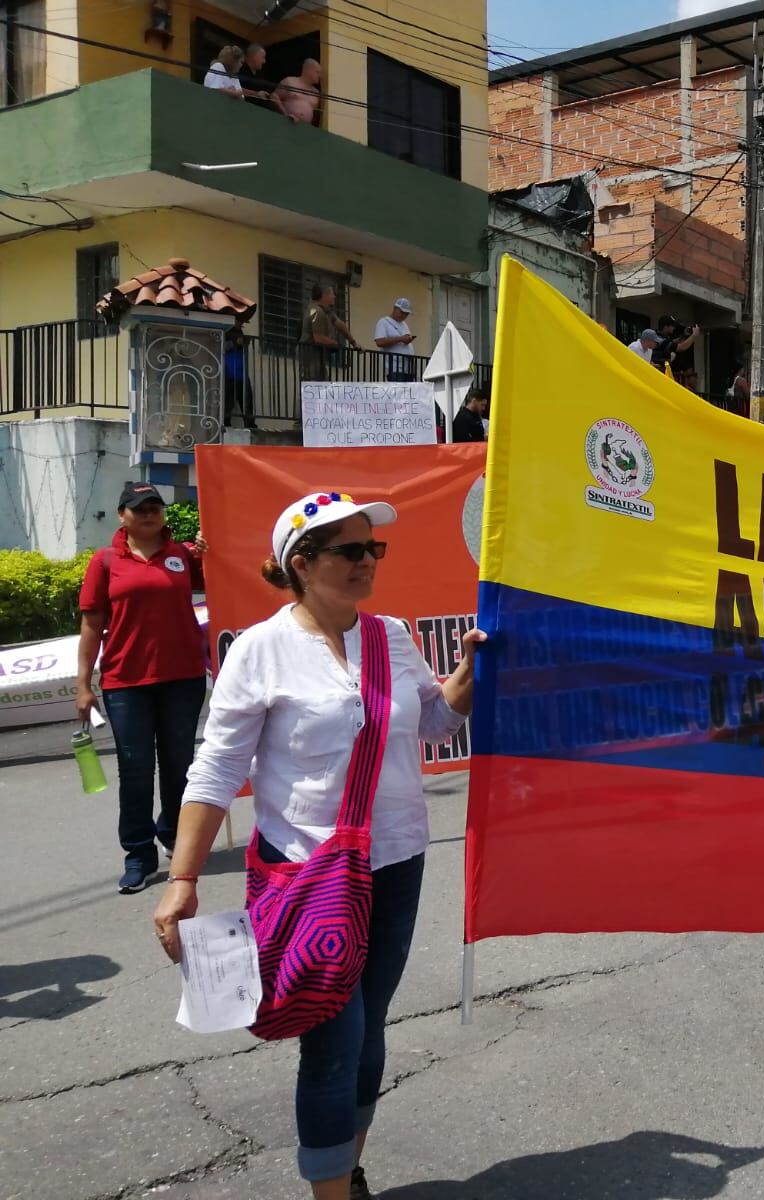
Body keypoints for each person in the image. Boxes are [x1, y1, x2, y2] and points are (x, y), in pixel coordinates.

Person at [153, 492, 483, 1200]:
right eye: (351, 551)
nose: (369, 562)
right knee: (333, 1043)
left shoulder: (391, 635)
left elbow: (430, 724)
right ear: (300, 565)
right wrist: (183, 878)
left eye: (374, 549)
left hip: (396, 860)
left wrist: (465, 677)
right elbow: (214, 770)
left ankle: (347, 1170)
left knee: (368, 1037)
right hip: (307, 871)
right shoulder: (260, 651)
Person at [76, 483, 208, 894]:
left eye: (155, 507)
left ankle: (174, 836)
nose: (150, 514)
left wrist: (212, 547)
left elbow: (232, 575)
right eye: (140, 508)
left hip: (183, 679)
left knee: (179, 767)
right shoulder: (105, 561)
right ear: (122, 515)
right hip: (125, 682)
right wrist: (83, 685)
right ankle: (138, 854)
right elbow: (92, 624)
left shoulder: (184, 556)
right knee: (135, 772)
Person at [223, 314, 255, 429]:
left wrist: (245, 343)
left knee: (247, 398)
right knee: (229, 398)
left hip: (241, 370)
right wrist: (236, 343)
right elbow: (221, 346)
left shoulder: (239, 331)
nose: (242, 324)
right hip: (229, 370)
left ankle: (250, 423)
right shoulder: (226, 330)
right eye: (240, 321)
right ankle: (226, 422)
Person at [374, 298, 417, 381]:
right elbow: (379, 342)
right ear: (395, 308)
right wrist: (400, 339)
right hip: (395, 368)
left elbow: (406, 337)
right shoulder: (383, 322)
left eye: (406, 314)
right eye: (402, 312)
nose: (404, 316)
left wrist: (408, 339)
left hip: (408, 367)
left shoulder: (404, 324)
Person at [273, 58, 323, 125]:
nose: (319, 76)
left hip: (304, 130)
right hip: (286, 124)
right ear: (308, 70)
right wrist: (285, 114)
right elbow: (274, 96)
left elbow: (315, 116)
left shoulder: (316, 93)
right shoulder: (290, 81)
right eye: (317, 72)